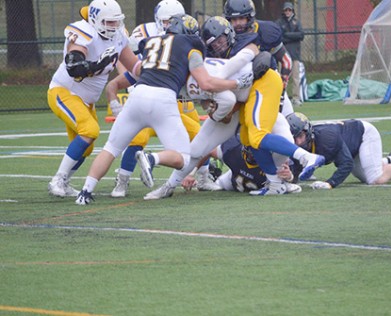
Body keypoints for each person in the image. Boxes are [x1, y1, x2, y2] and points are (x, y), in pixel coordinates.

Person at [75, 14, 253, 205]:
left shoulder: (152, 42)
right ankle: (151, 158)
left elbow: (137, 71)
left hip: (137, 95)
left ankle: (85, 192)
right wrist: (235, 83)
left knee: (111, 148)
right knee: (184, 157)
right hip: (163, 99)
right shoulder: (191, 46)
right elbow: (206, 83)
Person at [139, 16, 322, 199]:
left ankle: (296, 165)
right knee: (199, 148)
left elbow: (242, 70)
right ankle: (168, 187)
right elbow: (209, 95)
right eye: (213, 44)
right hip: (233, 103)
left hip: (259, 89)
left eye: (221, 41)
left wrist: (221, 90)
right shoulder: (197, 60)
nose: (218, 46)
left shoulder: (242, 43)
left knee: (272, 136)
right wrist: (212, 104)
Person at [105, 0, 219, 197]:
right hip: (152, 95)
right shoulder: (146, 35)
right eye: (166, 20)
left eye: (172, 20)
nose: (168, 25)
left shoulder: (185, 44)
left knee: (199, 135)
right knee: (137, 138)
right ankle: (122, 181)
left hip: (176, 99)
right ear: (159, 20)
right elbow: (132, 65)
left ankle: (203, 176)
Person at [47, 0, 140, 197]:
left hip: (86, 101)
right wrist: (97, 64)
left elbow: (134, 66)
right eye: (109, 22)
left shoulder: (118, 37)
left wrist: (156, 70)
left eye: (116, 22)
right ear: (96, 19)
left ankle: (64, 182)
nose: (114, 26)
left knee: (86, 148)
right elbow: (74, 67)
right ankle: (58, 178)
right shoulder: (83, 32)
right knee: (89, 130)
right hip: (65, 92)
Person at [286, 112, 391, 189]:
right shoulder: (301, 144)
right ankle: (389, 160)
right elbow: (296, 172)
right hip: (349, 147)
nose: (296, 142)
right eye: (292, 138)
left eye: (299, 136)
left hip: (364, 135)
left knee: (375, 179)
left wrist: (330, 183)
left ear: (308, 131)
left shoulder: (327, 138)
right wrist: (289, 180)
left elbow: (346, 164)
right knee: (366, 177)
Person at [223, 0, 295, 117]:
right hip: (240, 88)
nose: (238, 24)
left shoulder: (265, 31)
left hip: (269, 82)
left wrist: (281, 89)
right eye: (234, 20)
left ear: (249, 17)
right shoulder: (224, 37)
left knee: (288, 120)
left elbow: (286, 60)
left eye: (241, 19)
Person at [276, 2, 305, 107]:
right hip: (283, 56)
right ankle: (282, 96)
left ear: (292, 11)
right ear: (283, 11)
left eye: (289, 10)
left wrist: (287, 35)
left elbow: (301, 35)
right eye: (286, 10)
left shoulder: (297, 22)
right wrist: (293, 36)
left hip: (295, 54)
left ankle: (296, 98)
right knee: (282, 78)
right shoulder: (279, 22)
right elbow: (279, 37)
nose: (288, 12)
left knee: (296, 78)